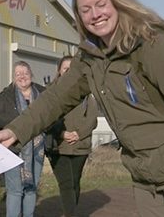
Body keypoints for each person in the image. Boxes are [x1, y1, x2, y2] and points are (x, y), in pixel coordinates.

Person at [0, 0, 164, 217]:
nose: (95, 14)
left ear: (117, 3)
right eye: (85, 9)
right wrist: (16, 130)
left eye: (101, 4)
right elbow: (55, 98)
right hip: (145, 176)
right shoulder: (90, 58)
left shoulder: (151, 42)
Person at [44, 55, 98, 217]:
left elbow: (92, 119)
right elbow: (44, 118)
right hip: (58, 146)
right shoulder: (50, 92)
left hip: (80, 146)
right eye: (65, 68)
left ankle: (70, 212)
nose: (68, 71)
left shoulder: (86, 93)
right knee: (66, 184)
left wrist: (79, 134)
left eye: (71, 69)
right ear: (59, 71)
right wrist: (61, 133)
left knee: (74, 183)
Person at [0, 60, 45, 217]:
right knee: (15, 190)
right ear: (13, 77)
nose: (22, 77)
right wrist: (21, 124)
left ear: (31, 75)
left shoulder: (42, 93)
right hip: (13, 147)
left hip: (37, 148)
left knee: (31, 188)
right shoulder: (6, 95)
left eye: (25, 73)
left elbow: (51, 116)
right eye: (18, 74)